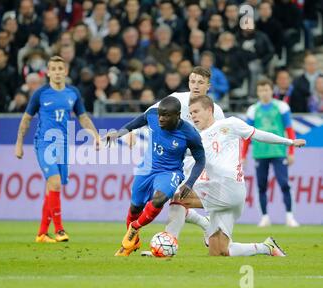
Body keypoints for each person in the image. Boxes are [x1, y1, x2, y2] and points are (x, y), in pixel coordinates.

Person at [165, 95, 305, 257]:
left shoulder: (230, 124)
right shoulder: (197, 139)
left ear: (209, 110)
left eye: (196, 111)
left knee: (178, 198)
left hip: (228, 187)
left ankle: (173, 242)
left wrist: (289, 142)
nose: (193, 116)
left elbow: (259, 134)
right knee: (219, 252)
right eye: (190, 113)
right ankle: (267, 247)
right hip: (220, 195)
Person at [129, 67, 225, 241]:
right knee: (177, 198)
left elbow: (222, 139)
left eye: (200, 82)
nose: (195, 86)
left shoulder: (216, 111)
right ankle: (172, 240)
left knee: (185, 199)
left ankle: (202, 228)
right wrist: (132, 132)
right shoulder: (176, 99)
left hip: (199, 160)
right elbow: (148, 115)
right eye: (193, 81)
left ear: (208, 86)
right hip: (176, 160)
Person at [14, 56, 100, 243]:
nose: (58, 71)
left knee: (51, 188)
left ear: (66, 71)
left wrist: (95, 135)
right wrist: (19, 143)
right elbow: (26, 119)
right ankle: (59, 229)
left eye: (61, 68)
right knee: (54, 183)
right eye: (54, 68)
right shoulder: (40, 94)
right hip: (45, 144)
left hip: (62, 145)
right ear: (49, 72)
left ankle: (42, 234)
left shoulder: (73, 93)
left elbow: (83, 117)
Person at [107, 96, 206, 257]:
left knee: (159, 198)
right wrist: (119, 133)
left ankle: (134, 228)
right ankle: (132, 243)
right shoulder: (152, 115)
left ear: (178, 115)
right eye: (160, 114)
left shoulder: (190, 134)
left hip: (170, 172)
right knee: (135, 207)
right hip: (146, 169)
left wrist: (189, 182)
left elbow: (201, 160)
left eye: (166, 115)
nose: (161, 118)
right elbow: (135, 123)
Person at [242, 79, 300, 227]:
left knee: (284, 184)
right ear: (257, 92)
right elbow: (247, 135)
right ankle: (264, 217)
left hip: (279, 151)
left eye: (266, 90)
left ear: (271, 90)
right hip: (260, 153)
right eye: (261, 90)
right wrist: (243, 155)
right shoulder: (253, 110)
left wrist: (291, 151)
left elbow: (289, 130)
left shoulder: (281, 107)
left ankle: (289, 216)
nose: (264, 93)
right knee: (261, 186)